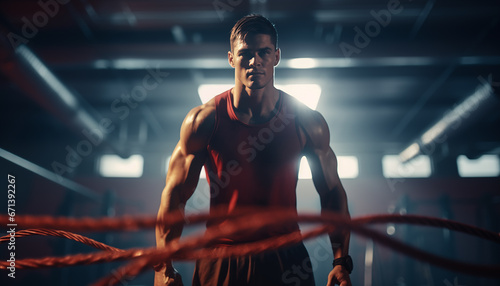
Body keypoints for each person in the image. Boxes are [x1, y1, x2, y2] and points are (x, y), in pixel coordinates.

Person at [155, 14, 352, 286]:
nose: (254, 62)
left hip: (286, 257)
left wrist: (341, 262)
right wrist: (162, 267)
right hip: (221, 257)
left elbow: (331, 192)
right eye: (245, 54)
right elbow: (175, 195)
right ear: (231, 58)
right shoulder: (203, 121)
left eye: (263, 53)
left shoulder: (307, 121)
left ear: (277, 56)